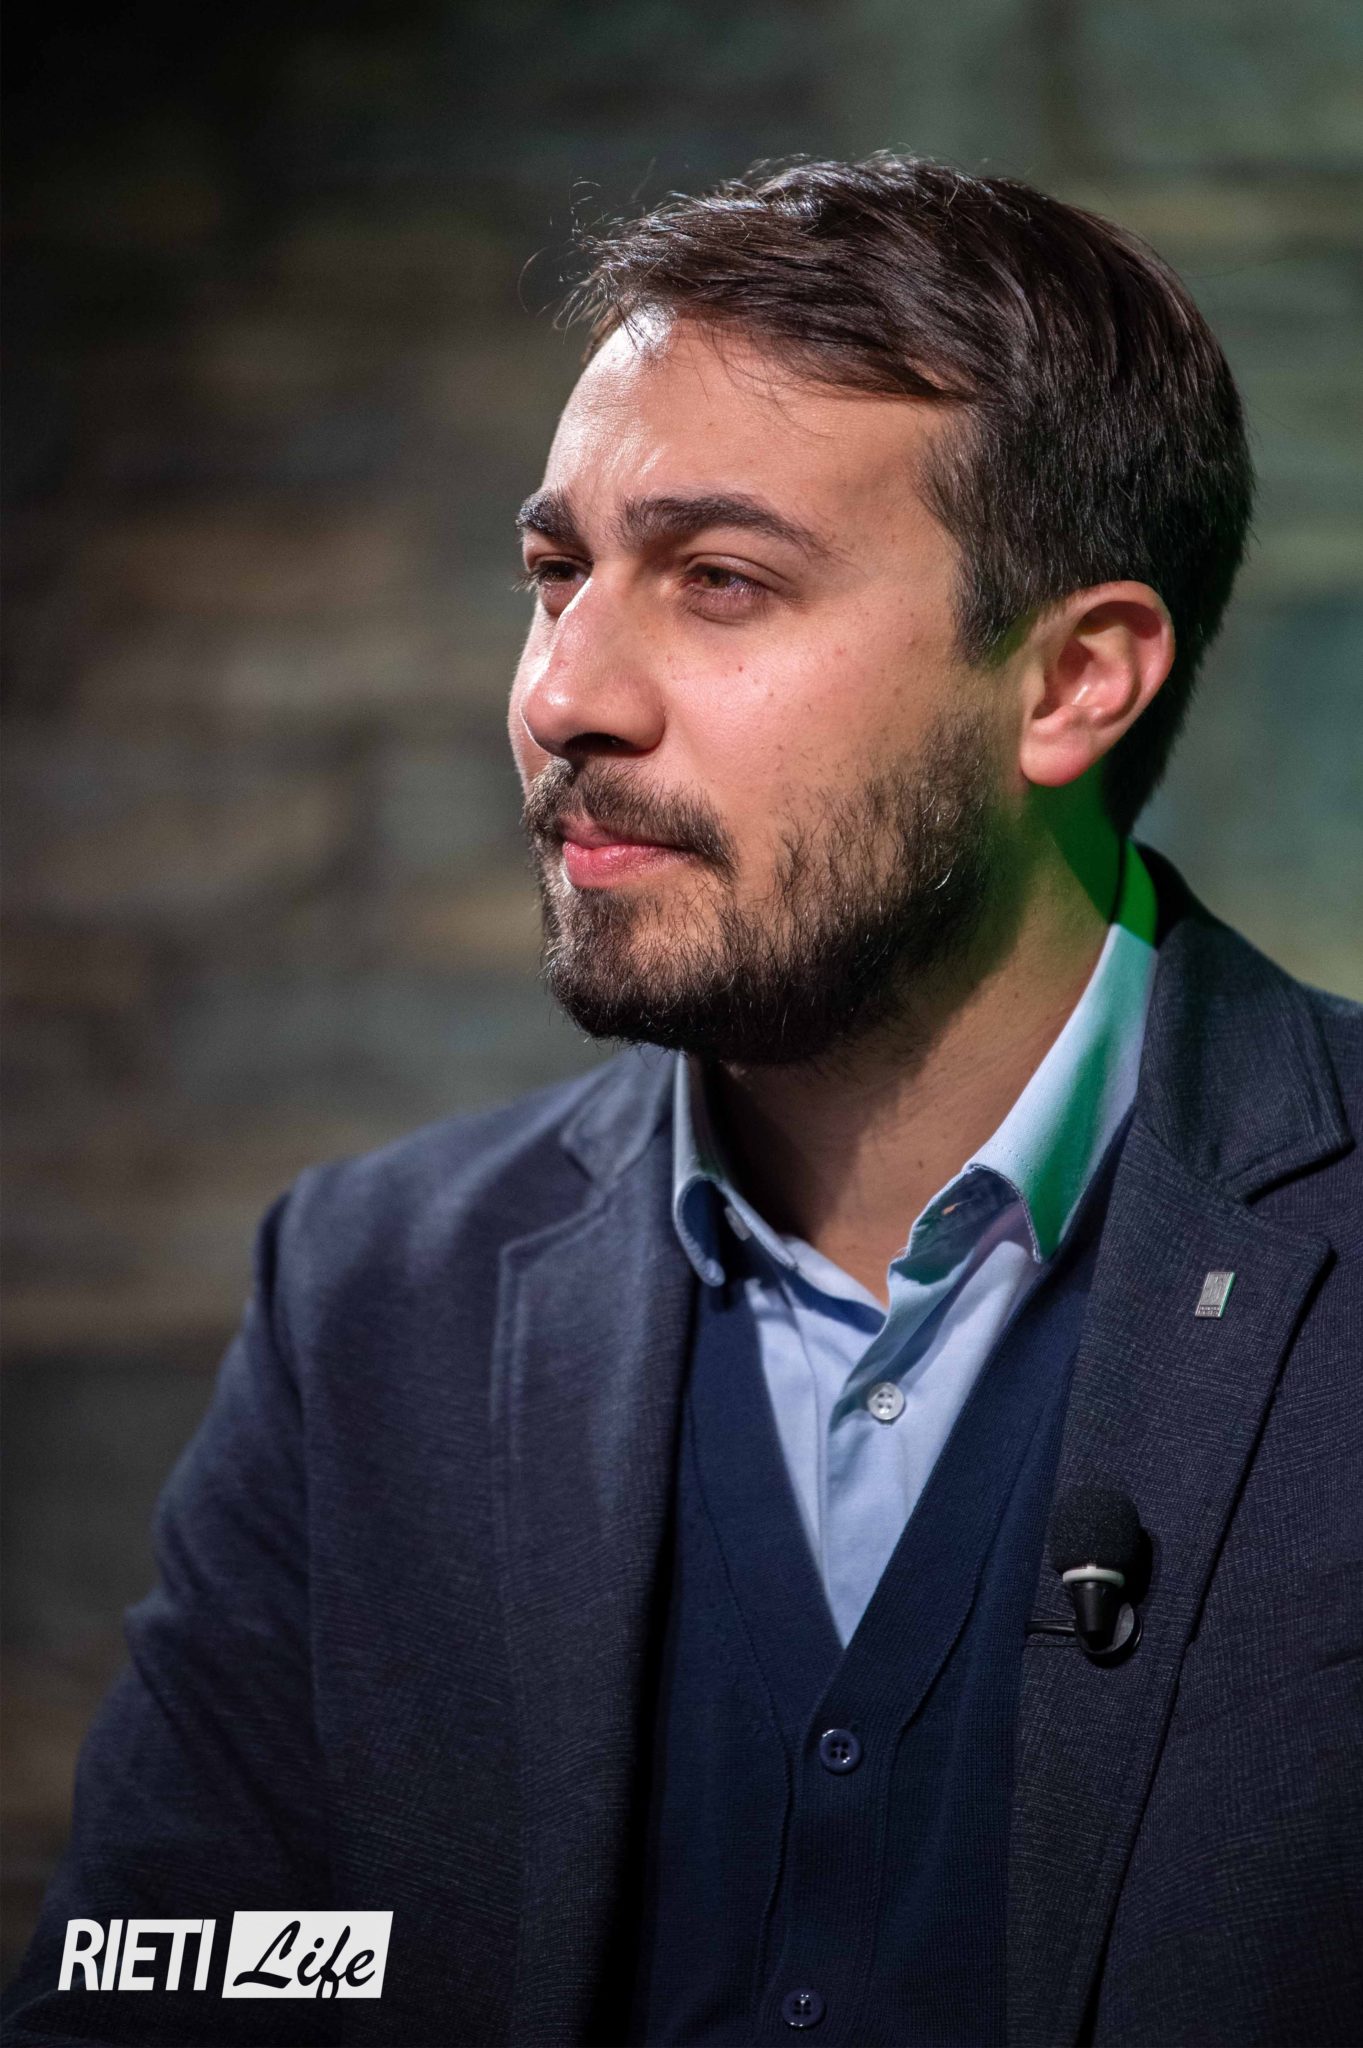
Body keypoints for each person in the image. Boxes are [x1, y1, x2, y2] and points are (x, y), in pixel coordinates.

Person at [5, 154, 1360, 2048]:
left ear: (1072, 682)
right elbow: (170, 1979)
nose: (565, 694)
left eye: (721, 582)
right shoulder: (374, 1298)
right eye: (557, 575)